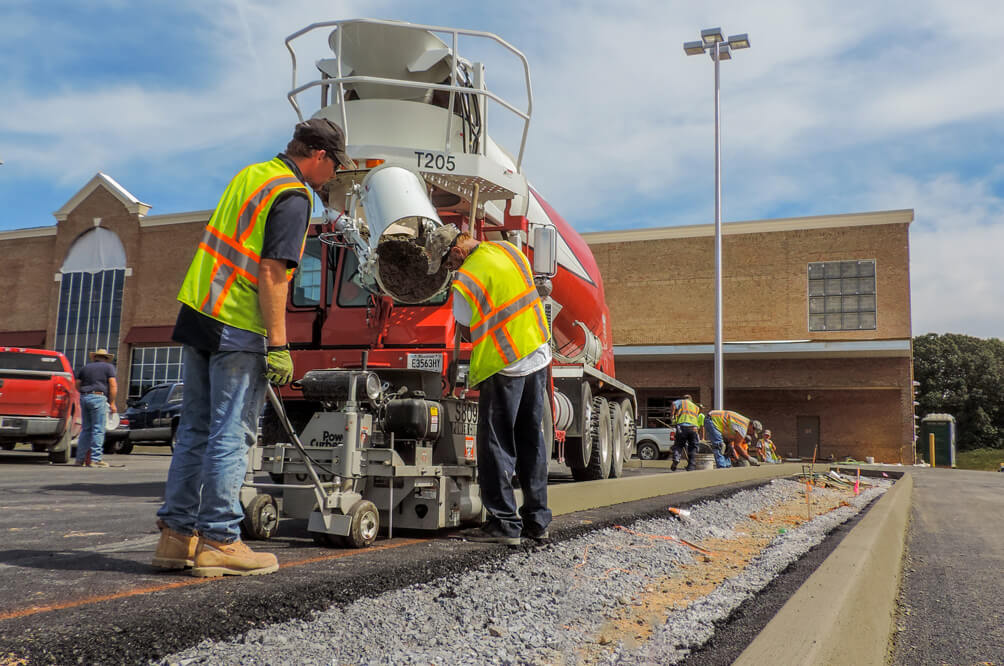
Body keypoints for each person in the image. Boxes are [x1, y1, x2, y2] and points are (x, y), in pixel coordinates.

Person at [152, 118, 355, 577]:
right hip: (238, 324)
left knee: (195, 431)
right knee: (232, 433)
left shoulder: (251, 174)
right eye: (335, 165)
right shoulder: (294, 194)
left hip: (200, 311)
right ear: (318, 156)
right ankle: (220, 540)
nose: (334, 175)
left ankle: (176, 537)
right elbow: (272, 273)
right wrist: (279, 344)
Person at [427, 225, 552, 546]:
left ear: (455, 252)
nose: (450, 270)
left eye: (447, 263)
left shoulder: (467, 280)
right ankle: (537, 521)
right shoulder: (510, 250)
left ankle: (504, 523)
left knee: (495, 444)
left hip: (504, 362)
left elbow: (467, 329)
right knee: (531, 440)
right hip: (538, 351)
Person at [73, 349, 118, 468]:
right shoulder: (109, 368)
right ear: (106, 358)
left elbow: (77, 384)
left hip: (84, 397)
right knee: (98, 429)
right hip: (98, 397)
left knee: (86, 429)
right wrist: (112, 403)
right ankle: (95, 459)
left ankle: (79, 459)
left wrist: (84, 393)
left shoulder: (85, 368)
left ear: (95, 357)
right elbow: (113, 385)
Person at [669, 394, 701, 471]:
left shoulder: (682, 402)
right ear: (691, 400)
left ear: (684, 399)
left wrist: (672, 416)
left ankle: (676, 459)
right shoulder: (696, 407)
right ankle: (691, 465)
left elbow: (673, 404)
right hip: (693, 428)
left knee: (679, 445)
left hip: (682, 427)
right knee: (692, 447)